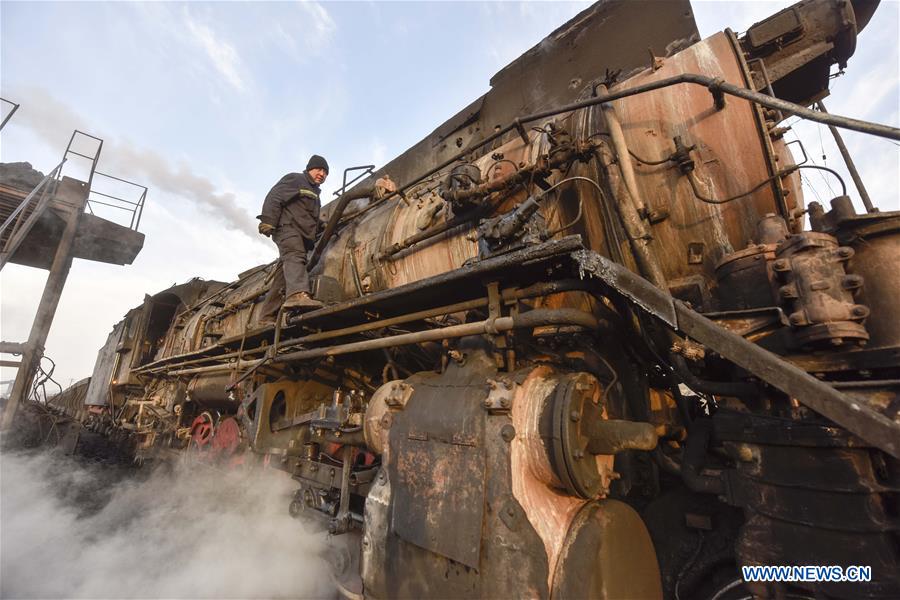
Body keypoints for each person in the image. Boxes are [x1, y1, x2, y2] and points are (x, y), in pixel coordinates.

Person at [257, 155, 329, 322]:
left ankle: (267, 316)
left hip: (301, 234)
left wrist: (322, 225)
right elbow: (275, 196)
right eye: (319, 169)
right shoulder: (296, 179)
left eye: (325, 172)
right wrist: (268, 220)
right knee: (296, 255)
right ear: (310, 168)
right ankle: (297, 294)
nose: (322, 174)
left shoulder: (316, 195)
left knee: (282, 276)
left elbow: (308, 216)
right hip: (287, 228)